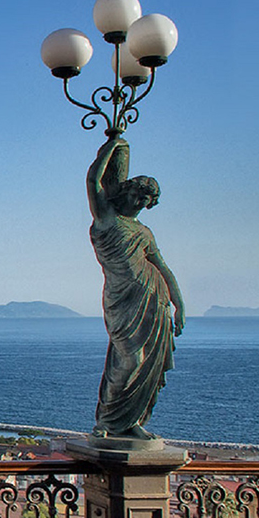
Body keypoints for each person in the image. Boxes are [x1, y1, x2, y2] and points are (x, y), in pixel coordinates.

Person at [86, 134, 184, 439]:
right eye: (138, 196)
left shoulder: (144, 232)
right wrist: (112, 146)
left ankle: (133, 423)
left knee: (147, 367)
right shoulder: (106, 218)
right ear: (125, 192)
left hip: (154, 299)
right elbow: (93, 181)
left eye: (147, 200)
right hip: (122, 300)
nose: (141, 203)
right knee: (130, 359)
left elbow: (163, 267)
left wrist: (179, 305)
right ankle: (107, 421)